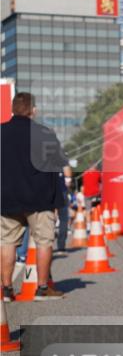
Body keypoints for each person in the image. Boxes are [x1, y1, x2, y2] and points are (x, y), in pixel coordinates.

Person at [1, 92, 68, 300]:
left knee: (7, 242)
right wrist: (58, 202)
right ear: (33, 110)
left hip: (7, 197)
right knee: (44, 242)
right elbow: (56, 169)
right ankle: (41, 288)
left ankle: (6, 290)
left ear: (13, 109)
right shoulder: (45, 134)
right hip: (40, 199)